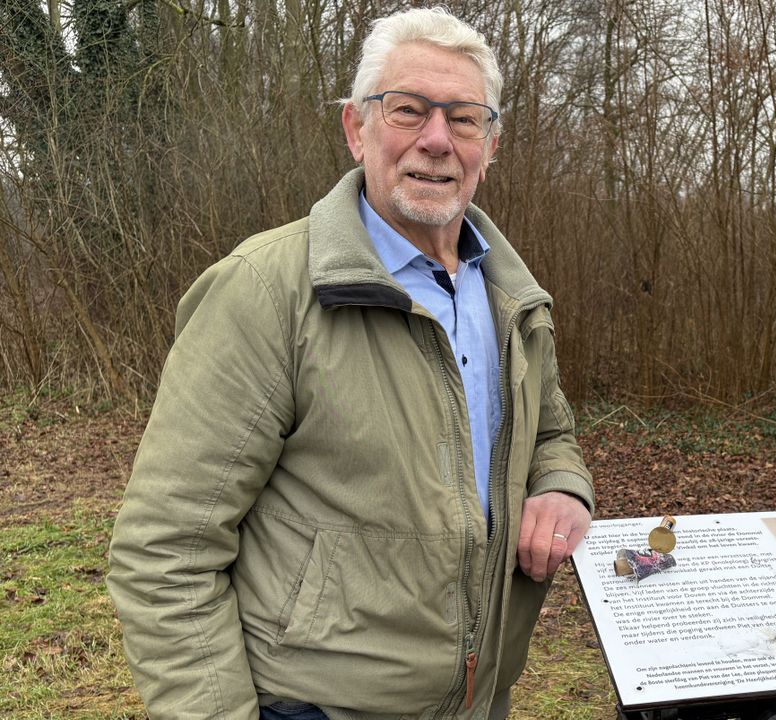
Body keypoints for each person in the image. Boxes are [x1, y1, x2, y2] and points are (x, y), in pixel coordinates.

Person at [106, 8, 593, 719]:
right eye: (407, 111)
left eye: (463, 118)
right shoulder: (266, 290)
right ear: (354, 128)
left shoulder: (512, 299)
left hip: (479, 699)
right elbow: (165, 552)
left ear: (489, 144)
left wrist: (561, 485)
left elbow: (551, 433)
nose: (435, 139)